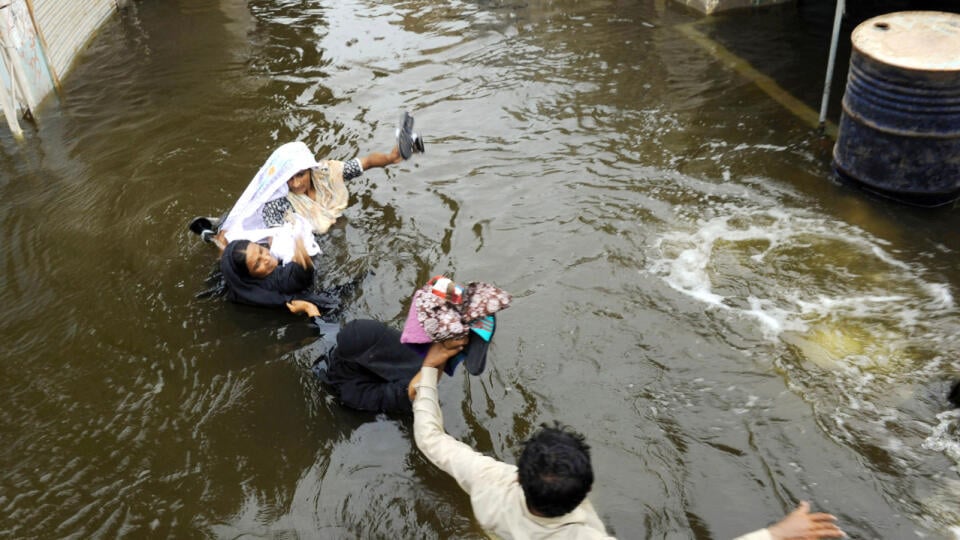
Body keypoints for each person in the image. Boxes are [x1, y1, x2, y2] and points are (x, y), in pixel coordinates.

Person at [410, 359, 846, 540]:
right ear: (585, 492)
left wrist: (428, 372)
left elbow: (432, 440)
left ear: (519, 473)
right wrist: (776, 533)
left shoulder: (487, 478)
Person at [297, 275, 511, 414]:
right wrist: (441, 356)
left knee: (327, 324)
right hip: (363, 392)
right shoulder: (352, 394)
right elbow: (410, 393)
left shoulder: (349, 340)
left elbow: (327, 329)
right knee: (416, 381)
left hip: (351, 345)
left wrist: (310, 310)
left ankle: (451, 322)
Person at [219, 235, 338, 314]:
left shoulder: (237, 285)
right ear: (249, 276)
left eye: (261, 250)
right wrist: (302, 265)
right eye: (257, 265)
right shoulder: (270, 284)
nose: (266, 258)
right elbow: (291, 279)